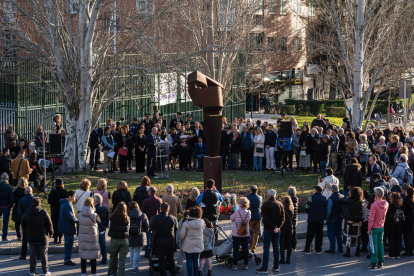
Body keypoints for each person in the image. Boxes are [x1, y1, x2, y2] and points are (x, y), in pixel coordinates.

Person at [21, 197, 53, 276]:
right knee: (43, 254)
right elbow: (49, 224)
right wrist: (51, 232)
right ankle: (45, 271)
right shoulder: (43, 212)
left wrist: (26, 233)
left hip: (31, 237)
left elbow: (23, 225)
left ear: (31, 204)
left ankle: (32, 271)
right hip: (43, 236)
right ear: (40, 204)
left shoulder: (26, 213)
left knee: (32, 254)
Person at [256, 189, 285, 274]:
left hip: (268, 229)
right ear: (275, 195)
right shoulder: (280, 204)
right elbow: (283, 218)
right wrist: (278, 227)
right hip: (277, 230)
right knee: (276, 247)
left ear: (268, 195)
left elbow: (266, 219)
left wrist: (273, 227)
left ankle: (265, 267)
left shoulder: (265, 205)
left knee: (266, 248)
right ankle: (276, 266)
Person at [151, 202, 178, 276]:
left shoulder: (154, 218)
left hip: (159, 242)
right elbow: (176, 229)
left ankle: (163, 274)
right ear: (168, 210)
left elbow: (151, 228)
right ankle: (173, 273)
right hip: (170, 241)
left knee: (161, 259)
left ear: (160, 209)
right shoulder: (173, 218)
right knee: (171, 258)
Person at [179, 206, 205, 275]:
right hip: (198, 243)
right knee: (196, 261)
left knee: (189, 261)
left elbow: (181, 235)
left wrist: (182, 240)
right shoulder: (202, 222)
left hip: (188, 244)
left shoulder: (186, 223)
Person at [78, 197, 100, 276]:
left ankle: (83, 272)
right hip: (92, 237)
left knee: (83, 254)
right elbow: (99, 221)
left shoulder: (80, 214)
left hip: (83, 236)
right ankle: (94, 272)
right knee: (92, 254)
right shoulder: (94, 215)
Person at [367, 187, 389, 269]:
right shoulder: (386, 204)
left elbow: (371, 218)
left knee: (373, 245)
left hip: (374, 227)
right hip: (381, 226)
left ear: (376, 194)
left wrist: (369, 229)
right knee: (380, 244)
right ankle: (381, 261)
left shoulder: (374, 205)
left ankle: (373, 262)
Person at [341, 187, 364, 257]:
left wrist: (347, 195)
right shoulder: (361, 202)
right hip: (358, 221)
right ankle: (357, 251)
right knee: (358, 235)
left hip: (350, 220)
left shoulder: (349, 200)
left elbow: (342, 199)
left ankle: (348, 251)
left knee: (348, 235)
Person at [303, 186, 327, 254]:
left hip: (312, 219)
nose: (313, 190)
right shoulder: (324, 198)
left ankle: (308, 249)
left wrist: (310, 213)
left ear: (316, 190)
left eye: (313, 189)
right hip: (320, 220)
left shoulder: (312, 197)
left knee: (310, 234)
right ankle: (318, 249)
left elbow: (307, 207)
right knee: (319, 235)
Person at [229, 197, 251, 271]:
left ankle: (235, 265)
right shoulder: (249, 212)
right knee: (245, 248)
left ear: (240, 204)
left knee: (236, 248)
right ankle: (246, 265)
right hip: (245, 233)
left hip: (236, 233)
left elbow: (231, 219)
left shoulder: (237, 212)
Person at [108, 202, 130, 276]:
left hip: (114, 239)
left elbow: (109, 226)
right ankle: (121, 274)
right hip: (124, 239)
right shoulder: (127, 218)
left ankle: (112, 273)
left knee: (113, 257)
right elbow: (128, 229)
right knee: (122, 259)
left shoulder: (112, 217)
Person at [141, 186, 163, 258]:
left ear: (149, 192)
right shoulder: (159, 200)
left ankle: (147, 252)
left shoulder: (146, 201)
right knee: (157, 237)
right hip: (157, 221)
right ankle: (156, 251)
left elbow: (142, 211)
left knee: (147, 237)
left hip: (148, 221)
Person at [128, 201, 149, 273]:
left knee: (131, 251)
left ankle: (133, 266)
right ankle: (135, 267)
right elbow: (147, 227)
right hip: (139, 235)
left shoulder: (127, 215)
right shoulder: (143, 215)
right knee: (137, 252)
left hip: (130, 235)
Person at [58, 190, 78, 266]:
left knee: (67, 243)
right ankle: (67, 259)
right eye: (74, 196)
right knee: (69, 244)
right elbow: (71, 217)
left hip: (65, 226)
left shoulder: (65, 203)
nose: (75, 197)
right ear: (70, 197)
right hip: (68, 227)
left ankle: (67, 258)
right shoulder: (67, 204)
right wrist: (78, 221)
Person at [47, 179, 68, 244]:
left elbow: (49, 201)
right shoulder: (64, 192)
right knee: (61, 223)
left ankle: (55, 237)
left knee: (54, 223)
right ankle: (60, 237)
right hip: (62, 210)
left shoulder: (52, 192)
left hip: (54, 210)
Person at [325, 184, 343, 254]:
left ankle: (332, 248)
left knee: (331, 234)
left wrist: (327, 217)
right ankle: (340, 248)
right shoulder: (342, 197)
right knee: (338, 234)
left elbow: (329, 209)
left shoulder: (331, 198)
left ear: (332, 191)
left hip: (332, 218)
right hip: (340, 218)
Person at [18, 186, 34, 258]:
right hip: (34, 221)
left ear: (25, 192)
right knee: (35, 238)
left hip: (25, 221)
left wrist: (24, 218)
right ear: (32, 191)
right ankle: (36, 254)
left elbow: (19, 212)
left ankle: (23, 254)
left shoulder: (21, 200)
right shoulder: (35, 199)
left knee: (25, 239)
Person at [385, 192, 403, 259]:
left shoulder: (391, 205)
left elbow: (387, 214)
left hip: (391, 223)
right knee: (397, 239)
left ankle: (392, 254)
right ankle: (397, 254)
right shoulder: (400, 205)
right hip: (399, 223)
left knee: (391, 239)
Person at [246, 185, 262, 253]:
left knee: (246, 232)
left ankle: (245, 246)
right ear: (257, 190)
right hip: (258, 217)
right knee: (256, 233)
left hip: (250, 217)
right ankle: (253, 248)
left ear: (250, 190)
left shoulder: (247, 197)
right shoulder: (260, 197)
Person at [94, 193, 109, 265]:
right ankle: (104, 258)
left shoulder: (93, 209)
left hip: (95, 229)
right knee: (103, 245)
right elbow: (107, 219)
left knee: (94, 245)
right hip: (102, 228)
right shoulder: (105, 208)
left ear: (95, 201)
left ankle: (93, 259)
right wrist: (105, 226)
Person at [0, 172, 14, 242]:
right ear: (7, 179)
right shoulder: (9, 187)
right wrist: (11, 205)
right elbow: (12, 198)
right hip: (6, 206)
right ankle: (4, 237)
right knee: (5, 222)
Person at [280, 196, 294, 265]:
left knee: (282, 243)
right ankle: (288, 259)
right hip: (290, 227)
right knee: (289, 243)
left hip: (283, 227)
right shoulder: (291, 209)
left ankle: (282, 259)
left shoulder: (281, 209)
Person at [12, 177, 27, 242]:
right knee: (25, 223)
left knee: (17, 223)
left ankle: (19, 236)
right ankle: (25, 236)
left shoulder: (16, 190)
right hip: (24, 208)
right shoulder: (26, 191)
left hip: (17, 207)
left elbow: (13, 199)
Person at [402, 187, 414, 256]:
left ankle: (407, 250)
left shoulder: (405, 200)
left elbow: (403, 209)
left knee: (406, 235)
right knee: (411, 236)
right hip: (412, 219)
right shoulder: (412, 200)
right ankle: (411, 250)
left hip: (406, 220)